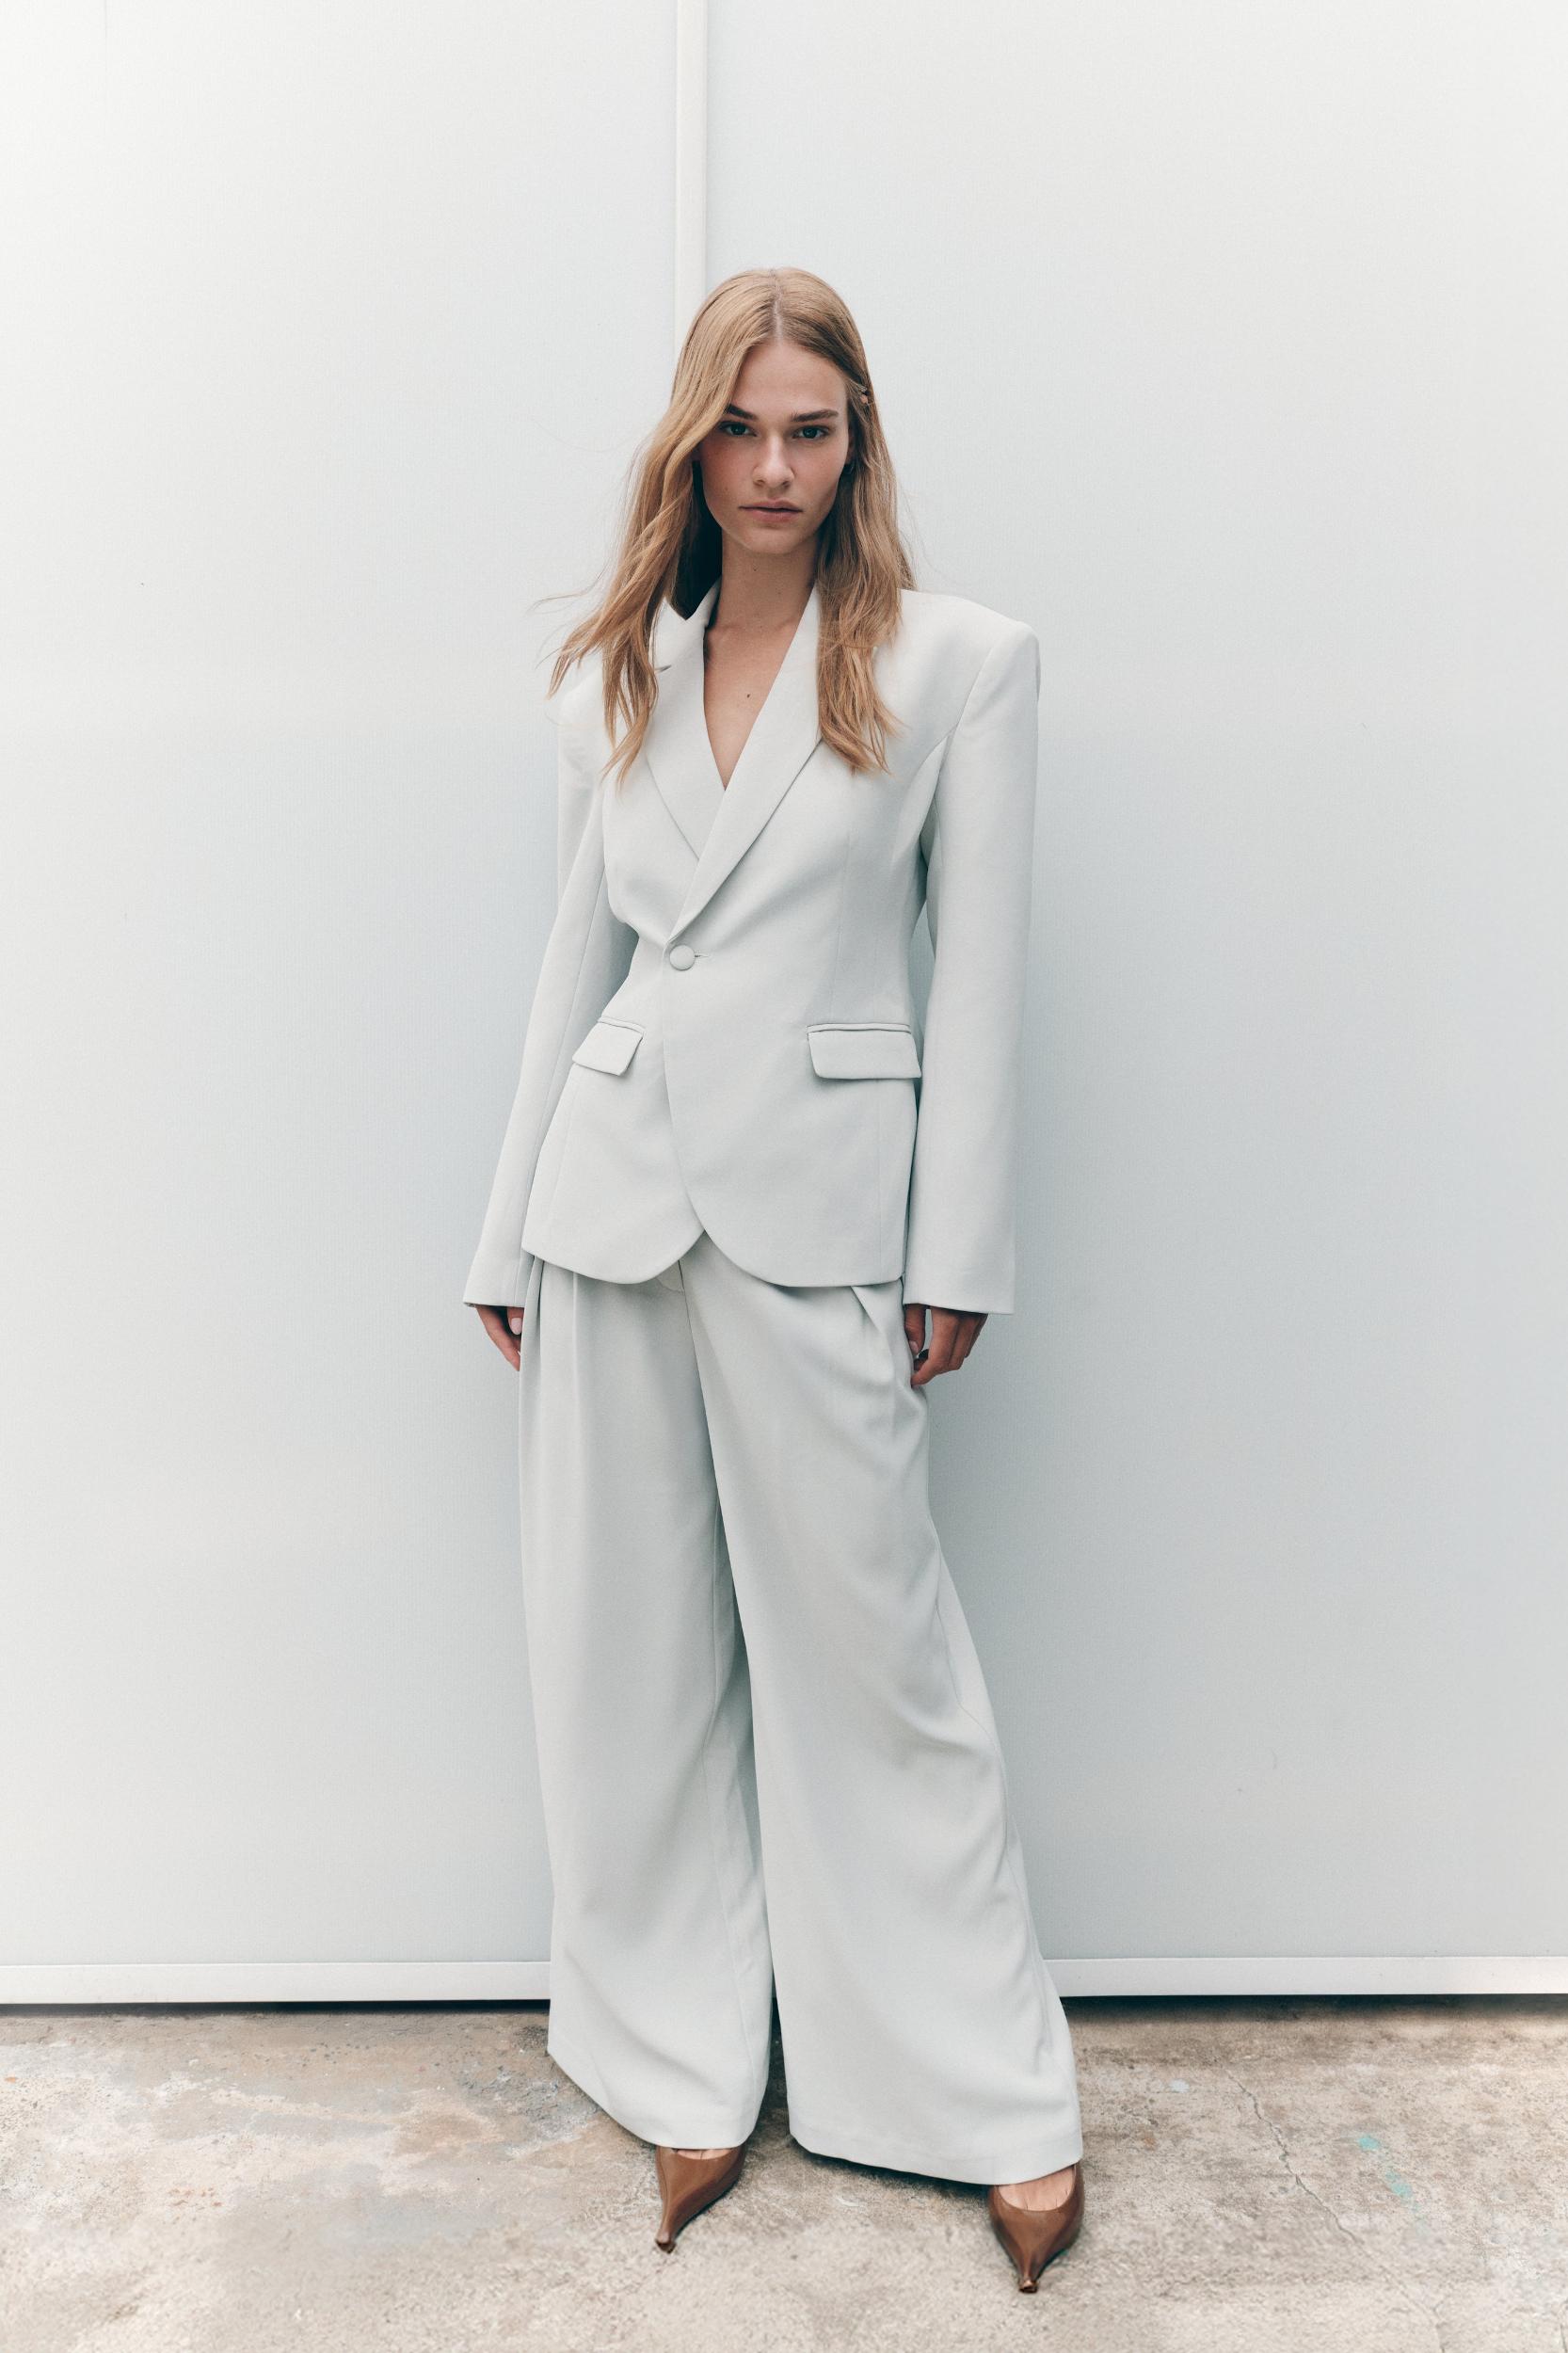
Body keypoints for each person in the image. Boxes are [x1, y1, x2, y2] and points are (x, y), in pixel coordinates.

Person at [464, 265, 1084, 2292]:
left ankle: (977, 2092)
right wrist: (503, 1225)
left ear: (854, 442)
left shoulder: (955, 665)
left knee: (875, 1660)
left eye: (808, 428)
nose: (770, 466)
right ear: (691, 441)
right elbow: (578, 961)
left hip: (822, 1213)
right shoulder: (615, 671)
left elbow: (974, 982)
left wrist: (955, 1249)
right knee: (623, 1656)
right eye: (737, 428)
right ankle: (680, 2062)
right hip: (611, 1201)